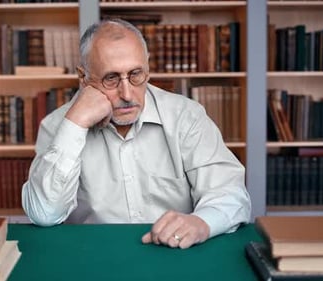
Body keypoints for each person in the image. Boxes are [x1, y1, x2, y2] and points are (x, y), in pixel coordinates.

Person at [22, 19, 251, 249]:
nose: (127, 93)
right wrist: (77, 123)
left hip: (175, 254)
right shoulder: (58, 126)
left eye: (135, 74)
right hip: (92, 258)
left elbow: (231, 194)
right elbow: (44, 213)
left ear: (148, 69)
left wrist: (201, 223)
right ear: (83, 78)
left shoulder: (186, 116)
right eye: (111, 78)